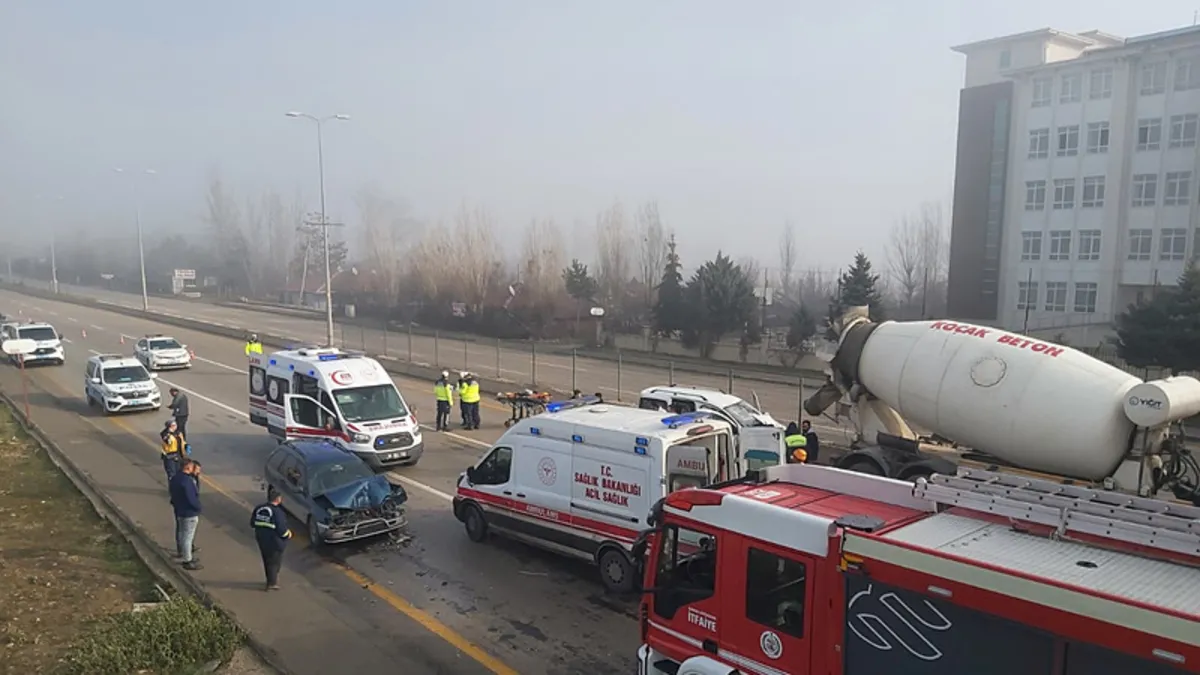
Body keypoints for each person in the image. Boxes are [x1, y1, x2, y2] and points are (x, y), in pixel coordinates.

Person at [250, 487, 293, 590]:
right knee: (274, 562)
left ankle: (270, 580)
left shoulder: (259, 508)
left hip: (261, 539)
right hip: (275, 541)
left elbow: (252, 523)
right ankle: (272, 583)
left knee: (267, 560)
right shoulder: (278, 512)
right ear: (278, 499)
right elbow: (282, 530)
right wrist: (288, 535)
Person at [169, 459, 203, 570]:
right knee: (188, 536)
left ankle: (184, 554)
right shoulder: (187, 481)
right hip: (189, 512)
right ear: (188, 467)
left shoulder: (175, 478)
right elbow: (191, 498)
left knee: (182, 533)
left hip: (179, 510)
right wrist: (198, 507)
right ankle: (187, 560)